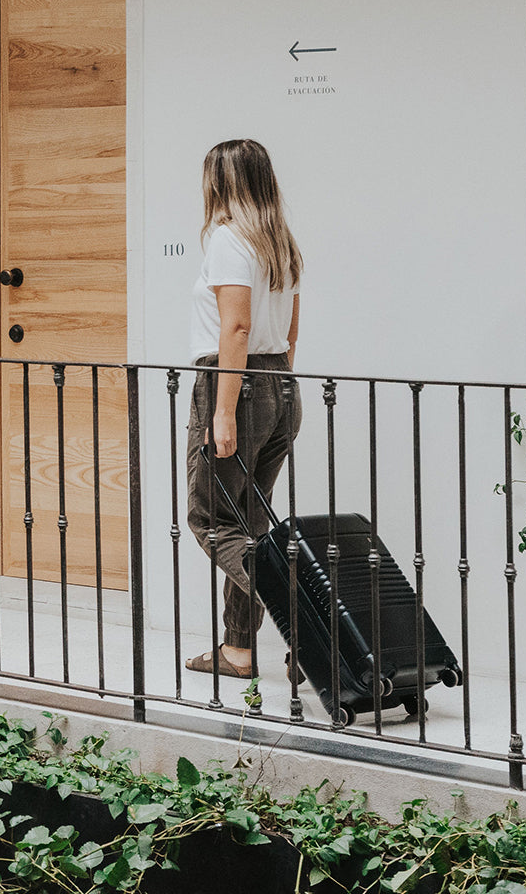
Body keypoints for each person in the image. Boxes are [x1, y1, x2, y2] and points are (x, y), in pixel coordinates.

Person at [184, 139, 303, 678]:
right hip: (279, 382)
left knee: (209, 518)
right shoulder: (280, 243)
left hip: (235, 383)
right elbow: (290, 328)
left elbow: (235, 328)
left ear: (221, 182)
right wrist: (276, 386)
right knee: (250, 522)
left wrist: (225, 409)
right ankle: (237, 648)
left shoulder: (229, 240)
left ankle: (299, 606)